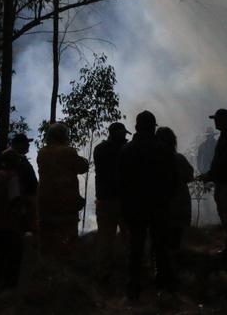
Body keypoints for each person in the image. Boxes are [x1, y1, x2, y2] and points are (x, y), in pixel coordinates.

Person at [120, 111, 176, 300]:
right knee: (160, 245)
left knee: (136, 245)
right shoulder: (163, 150)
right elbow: (171, 179)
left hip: (134, 207)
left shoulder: (126, 150)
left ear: (136, 127)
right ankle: (163, 283)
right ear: (153, 127)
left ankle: (134, 286)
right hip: (158, 205)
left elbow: (122, 182)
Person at [198, 108, 227, 272]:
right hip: (223, 180)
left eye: (217, 119)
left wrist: (210, 175)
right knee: (226, 213)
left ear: (225, 120)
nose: (215, 122)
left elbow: (226, 163)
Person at [37, 122, 89, 257]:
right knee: (68, 241)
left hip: (45, 203)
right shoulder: (68, 151)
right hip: (65, 204)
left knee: (47, 241)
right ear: (64, 136)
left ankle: (46, 269)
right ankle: (65, 269)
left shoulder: (42, 152)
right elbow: (83, 167)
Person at [94, 122, 130, 281]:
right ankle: (132, 270)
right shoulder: (127, 150)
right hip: (124, 199)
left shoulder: (99, 149)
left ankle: (104, 273)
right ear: (120, 133)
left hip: (104, 199)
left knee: (105, 239)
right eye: (124, 133)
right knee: (129, 236)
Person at [156, 127, 194, 272]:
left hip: (162, 208)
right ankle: (175, 270)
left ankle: (162, 271)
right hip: (180, 205)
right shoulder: (178, 158)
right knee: (175, 241)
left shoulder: (152, 160)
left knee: (161, 242)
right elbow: (189, 176)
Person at [0, 151, 26, 291]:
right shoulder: (13, 178)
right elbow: (15, 200)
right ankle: (10, 286)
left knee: (1, 254)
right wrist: (22, 215)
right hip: (10, 223)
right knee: (15, 254)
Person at [2, 133, 38, 233]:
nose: (28, 145)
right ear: (19, 144)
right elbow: (15, 183)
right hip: (24, 204)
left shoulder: (17, 158)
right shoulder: (12, 158)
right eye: (26, 143)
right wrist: (22, 207)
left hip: (27, 203)